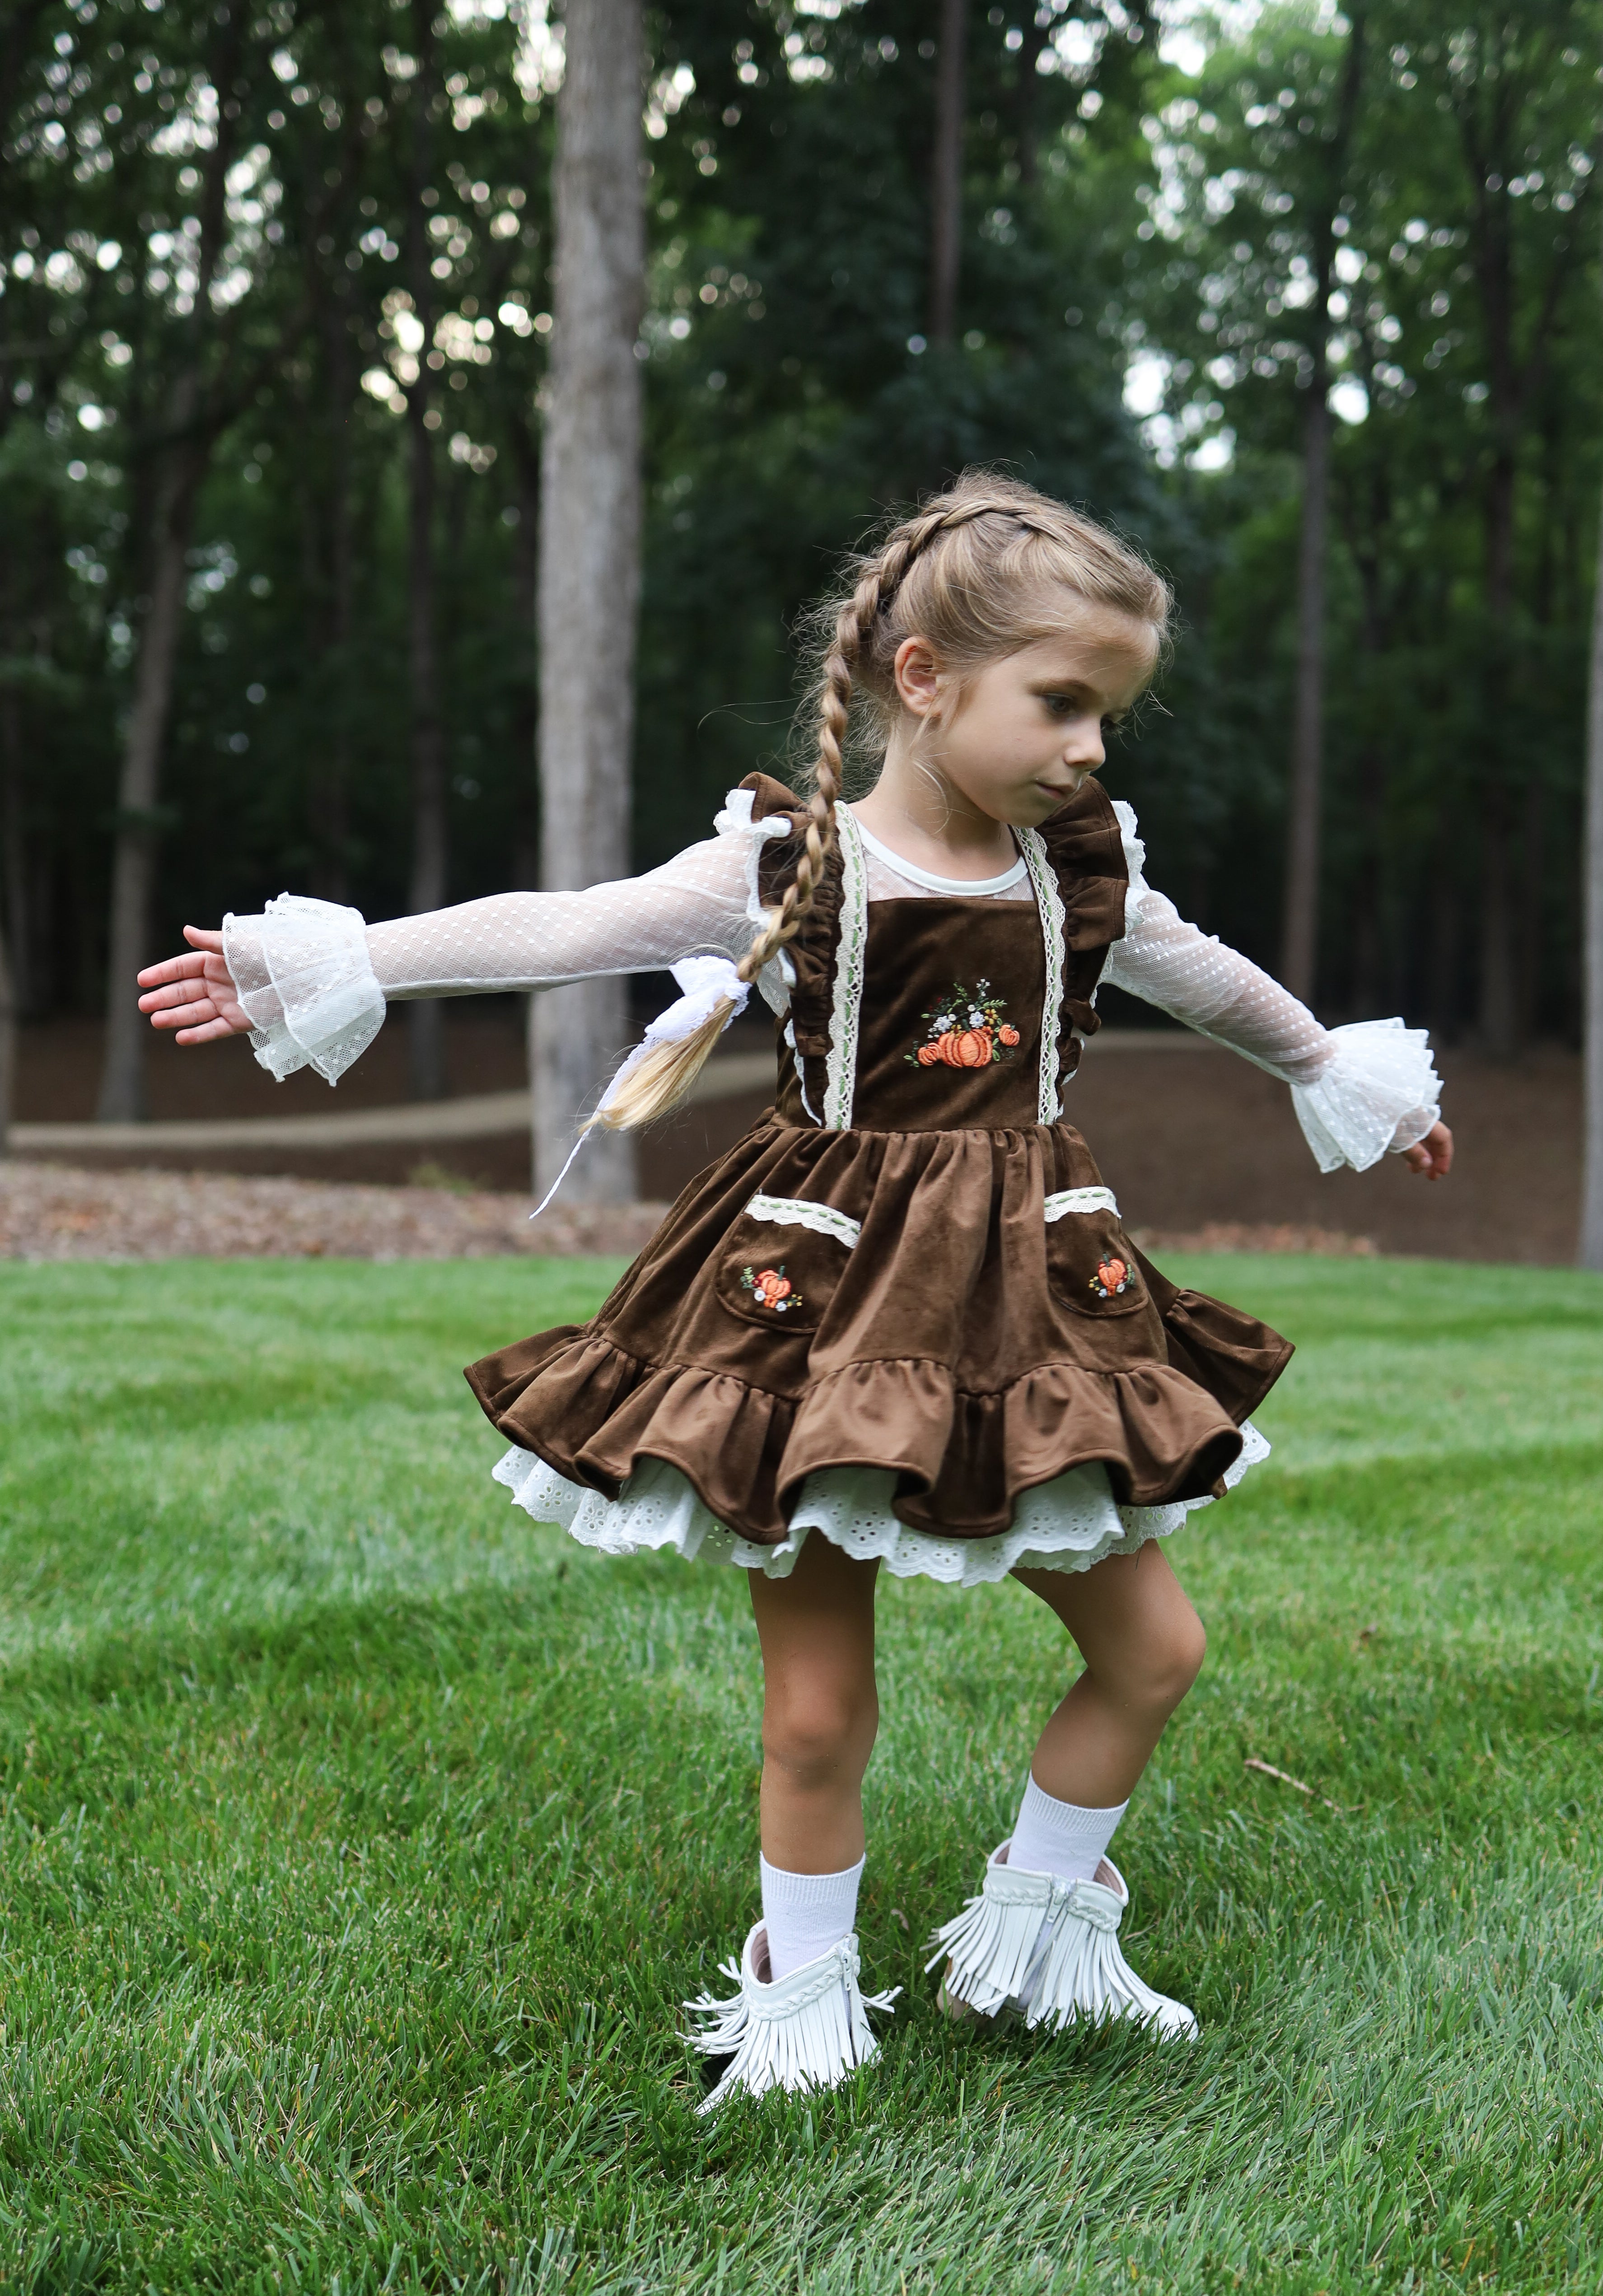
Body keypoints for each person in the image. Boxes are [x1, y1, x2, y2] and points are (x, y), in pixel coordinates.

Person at [139, 471, 1452, 2111]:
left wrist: (1342, 1074)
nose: (1091, 748)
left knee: (1156, 1651)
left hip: (1036, 1311)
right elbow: (568, 927)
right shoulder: (797, 865)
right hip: (820, 1320)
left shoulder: (1080, 871)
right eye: (1062, 703)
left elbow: (1213, 982)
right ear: (925, 677)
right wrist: (336, 962)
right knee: (821, 1711)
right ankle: (801, 1994)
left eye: (1109, 715)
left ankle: (1035, 1939)